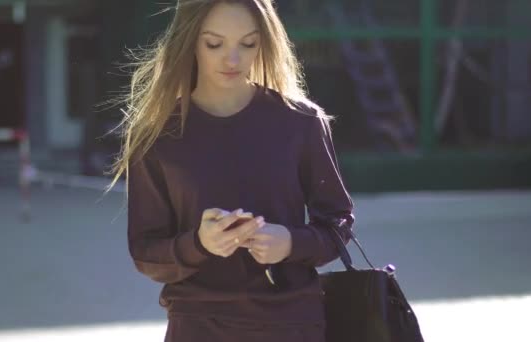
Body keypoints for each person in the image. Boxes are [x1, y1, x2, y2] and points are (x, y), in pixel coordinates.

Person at [106, 1, 355, 341]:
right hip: (197, 326)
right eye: (214, 43)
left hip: (292, 324)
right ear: (190, 40)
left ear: (264, 43)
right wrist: (199, 243)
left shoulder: (302, 122)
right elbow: (146, 253)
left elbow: (338, 225)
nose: (233, 59)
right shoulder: (156, 134)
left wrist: (290, 243)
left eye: (248, 44)